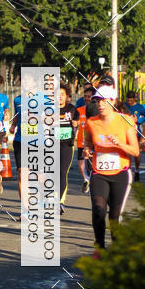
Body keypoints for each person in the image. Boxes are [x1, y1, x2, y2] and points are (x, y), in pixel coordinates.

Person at [83, 83, 139, 250]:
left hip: (120, 175)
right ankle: (99, 246)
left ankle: (117, 248)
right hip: (99, 173)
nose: (100, 104)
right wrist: (86, 150)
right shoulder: (91, 122)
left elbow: (135, 151)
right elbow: (87, 142)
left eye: (103, 100)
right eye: (97, 101)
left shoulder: (125, 121)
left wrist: (120, 144)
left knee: (114, 217)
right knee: (98, 211)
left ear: (112, 101)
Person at [58, 83, 79, 214]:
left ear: (67, 97)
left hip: (66, 145)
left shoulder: (72, 109)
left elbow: (77, 123)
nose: (59, 97)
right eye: (57, 95)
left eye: (62, 95)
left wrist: (76, 124)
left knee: (61, 172)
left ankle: (59, 201)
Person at [124, 91, 145, 181]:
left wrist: (138, 119)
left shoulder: (140, 107)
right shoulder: (124, 105)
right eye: (128, 100)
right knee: (127, 152)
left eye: (131, 100)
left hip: (136, 133)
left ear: (134, 99)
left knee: (136, 153)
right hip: (124, 132)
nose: (129, 102)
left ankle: (136, 170)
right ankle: (127, 170)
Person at [76, 85, 94, 193]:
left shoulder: (97, 111)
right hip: (81, 143)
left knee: (92, 166)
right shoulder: (78, 110)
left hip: (93, 143)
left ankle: (93, 181)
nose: (86, 98)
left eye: (89, 96)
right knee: (80, 164)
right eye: (85, 96)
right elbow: (74, 123)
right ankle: (86, 179)